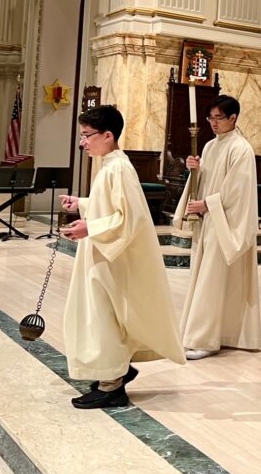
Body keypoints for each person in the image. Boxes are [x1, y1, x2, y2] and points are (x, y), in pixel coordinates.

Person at [59, 105, 186, 409]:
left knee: (104, 317)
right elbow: (111, 207)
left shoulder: (118, 168)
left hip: (111, 258)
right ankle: (114, 370)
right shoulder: (110, 165)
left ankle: (112, 385)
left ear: (108, 135)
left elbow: (131, 219)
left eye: (87, 136)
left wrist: (91, 227)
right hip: (101, 252)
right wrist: (84, 204)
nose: (83, 143)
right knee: (99, 315)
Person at [173, 95, 261, 360]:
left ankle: (206, 340)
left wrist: (207, 205)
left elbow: (238, 192)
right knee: (206, 279)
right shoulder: (211, 147)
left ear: (233, 118)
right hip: (210, 222)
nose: (213, 123)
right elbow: (205, 183)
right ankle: (209, 333)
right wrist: (194, 171)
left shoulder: (241, 149)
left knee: (213, 280)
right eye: (210, 118)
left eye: (218, 118)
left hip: (225, 224)